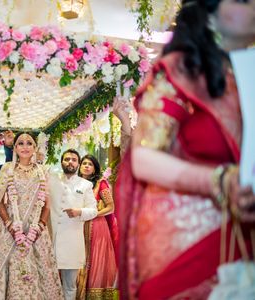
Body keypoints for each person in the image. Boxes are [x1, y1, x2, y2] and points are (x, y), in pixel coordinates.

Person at [115, 0, 255, 299]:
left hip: (244, 233)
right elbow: (144, 159)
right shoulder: (182, 69)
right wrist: (220, 181)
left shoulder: (246, 76)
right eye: (243, 0)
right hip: (185, 240)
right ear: (210, 13)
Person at [0, 132, 63, 299]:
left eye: (29, 143)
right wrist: (10, 225)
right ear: (15, 148)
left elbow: (47, 205)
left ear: (35, 147)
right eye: (21, 143)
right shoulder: (7, 169)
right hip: (9, 229)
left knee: (40, 274)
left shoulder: (43, 172)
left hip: (36, 231)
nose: (25, 146)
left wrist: (39, 227)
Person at [48, 149, 98, 300]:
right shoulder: (51, 180)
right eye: (67, 159)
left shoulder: (86, 185)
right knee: (48, 282)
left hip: (72, 242)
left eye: (74, 159)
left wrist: (79, 211)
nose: (70, 162)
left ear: (77, 163)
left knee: (70, 285)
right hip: (51, 240)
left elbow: (94, 211)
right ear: (61, 162)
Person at [76, 154, 118, 300]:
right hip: (78, 227)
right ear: (79, 167)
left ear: (94, 169)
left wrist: (93, 213)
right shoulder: (74, 183)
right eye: (84, 163)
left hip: (97, 226)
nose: (86, 166)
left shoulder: (101, 183)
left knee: (95, 260)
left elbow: (111, 207)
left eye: (90, 164)